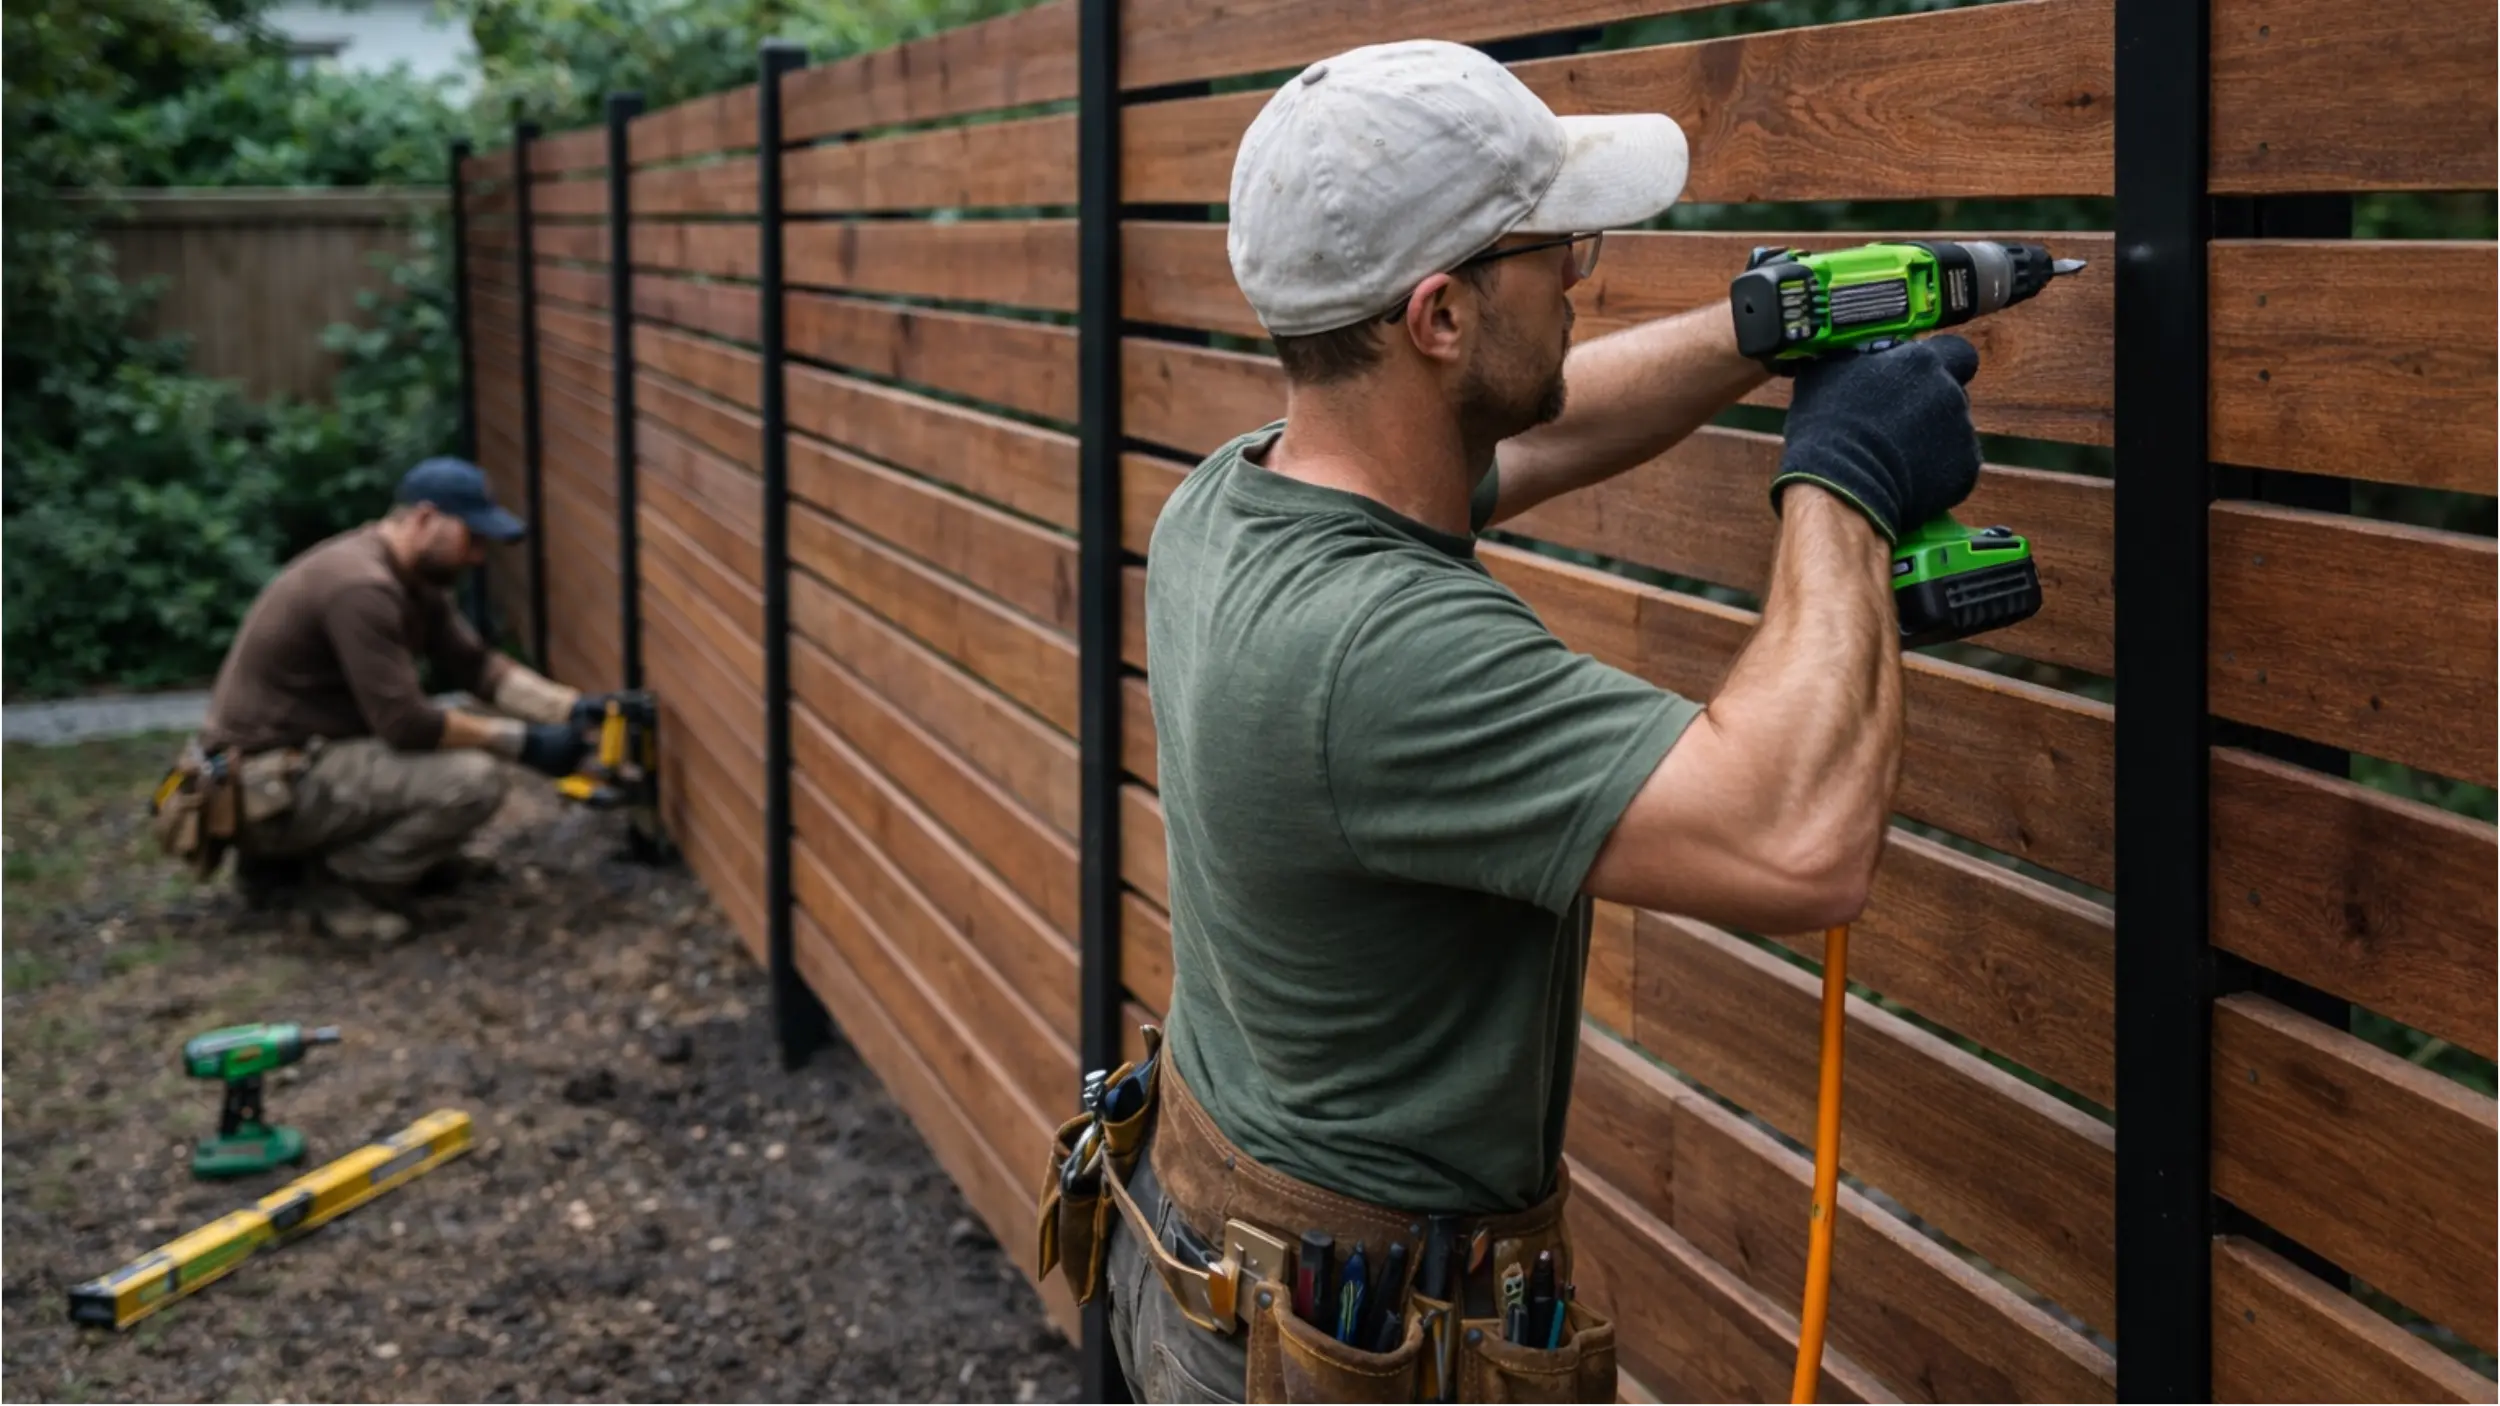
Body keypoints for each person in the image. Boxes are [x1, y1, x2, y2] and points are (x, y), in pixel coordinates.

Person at [1045, 39, 1986, 1404]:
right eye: (1561, 250)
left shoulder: (1238, 499)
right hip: (1342, 1347)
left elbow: (1528, 435)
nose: (1581, 275)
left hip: (1202, 1233)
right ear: (1438, 316)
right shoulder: (1379, 653)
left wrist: (1759, 332)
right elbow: (1796, 840)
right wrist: (1844, 481)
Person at [154, 457, 601, 942]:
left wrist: (574, 709)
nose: (477, 557)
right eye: (471, 538)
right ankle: (339, 887)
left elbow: (476, 666)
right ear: (425, 518)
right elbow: (404, 723)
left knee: (460, 757)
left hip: (295, 769)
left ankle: (312, 868)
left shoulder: (411, 578)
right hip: (259, 790)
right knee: (472, 779)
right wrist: (525, 743)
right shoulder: (361, 588)